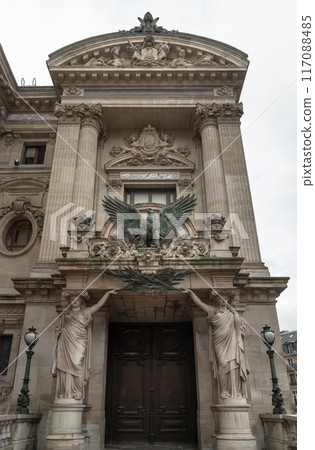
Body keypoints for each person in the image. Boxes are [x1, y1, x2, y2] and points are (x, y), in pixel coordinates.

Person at [182, 288, 249, 399]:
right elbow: (199, 303)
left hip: (231, 340)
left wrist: (239, 325)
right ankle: (223, 390)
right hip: (219, 342)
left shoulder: (232, 314)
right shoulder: (212, 311)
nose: (224, 300)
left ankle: (236, 391)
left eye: (226, 298)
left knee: (234, 365)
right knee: (222, 364)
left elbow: (241, 327)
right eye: (221, 298)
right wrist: (190, 292)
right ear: (217, 300)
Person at [52, 289, 117, 400]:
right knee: (64, 366)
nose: (75, 301)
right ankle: (65, 391)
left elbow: (98, 305)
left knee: (77, 364)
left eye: (77, 299)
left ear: (81, 301)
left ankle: (77, 390)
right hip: (66, 341)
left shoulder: (86, 312)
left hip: (79, 341)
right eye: (72, 299)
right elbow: (59, 328)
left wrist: (107, 293)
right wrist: (58, 332)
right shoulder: (66, 314)